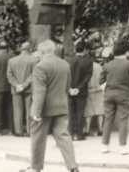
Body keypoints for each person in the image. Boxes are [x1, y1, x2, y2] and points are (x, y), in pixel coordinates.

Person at [20, 40, 79, 172]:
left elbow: (40, 91)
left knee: (38, 138)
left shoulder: (40, 67)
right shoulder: (65, 64)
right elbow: (68, 85)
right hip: (62, 106)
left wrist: (36, 111)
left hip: (45, 109)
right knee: (64, 137)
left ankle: (36, 168)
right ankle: (73, 167)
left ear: (41, 52)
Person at [100, 45, 129, 155]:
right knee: (123, 120)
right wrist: (126, 86)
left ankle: (104, 146)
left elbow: (101, 80)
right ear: (126, 52)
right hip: (124, 95)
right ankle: (122, 147)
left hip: (109, 94)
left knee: (108, 119)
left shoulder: (107, 65)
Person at [7, 41, 38, 136]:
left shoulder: (12, 60)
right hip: (29, 89)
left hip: (16, 89)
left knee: (17, 110)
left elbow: (9, 75)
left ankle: (18, 131)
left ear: (21, 49)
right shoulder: (34, 60)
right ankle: (29, 130)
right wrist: (24, 85)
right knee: (29, 110)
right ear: (30, 49)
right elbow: (34, 74)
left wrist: (17, 85)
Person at [68, 42, 93, 141]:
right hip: (81, 91)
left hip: (69, 90)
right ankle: (79, 134)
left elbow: (65, 75)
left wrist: (70, 88)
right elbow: (87, 77)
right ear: (84, 50)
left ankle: (70, 133)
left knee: (71, 112)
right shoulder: (88, 61)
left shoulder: (69, 60)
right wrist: (78, 88)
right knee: (80, 112)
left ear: (75, 49)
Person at [84, 60, 104, 136]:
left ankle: (87, 130)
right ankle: (100, 129)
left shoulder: (86, 66)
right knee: (100, 111)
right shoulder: (100, 67)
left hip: (89, 90)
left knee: (88, 112)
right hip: (99, 90)